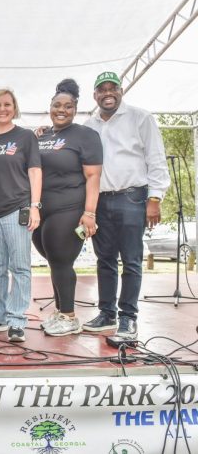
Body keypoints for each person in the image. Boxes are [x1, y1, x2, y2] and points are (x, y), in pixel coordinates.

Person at [82, 71, 170, 338]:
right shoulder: (89, 125)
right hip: (100, 200)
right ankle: (107, 313)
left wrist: (154, 198)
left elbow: (156, 159)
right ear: (95, 95)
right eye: (102, 89)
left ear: (121, 91)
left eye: (113, 88)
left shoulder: (140, 118)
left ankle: (128, 317)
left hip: (132, 197)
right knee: (104, 260)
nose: (108, 93)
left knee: (131, 261)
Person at [32, 79, 103, 336]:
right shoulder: (42, 135)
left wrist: (89, 213)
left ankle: (70, 316)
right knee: (54, 261)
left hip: (69, 208)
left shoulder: (86, 135)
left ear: (75, 109)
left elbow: (93, 177)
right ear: (50, 107)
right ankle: (60, 311)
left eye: (68, 106)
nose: (61, 110)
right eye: (57, 105)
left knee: (61, 260)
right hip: (42, 209)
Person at [0, 89, 42, 342]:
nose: (2, 109)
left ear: (14, 108)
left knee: (20, 268)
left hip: (17, 209)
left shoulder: (25, 137)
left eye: (7, 104)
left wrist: (35, 206)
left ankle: (16, 320)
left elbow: (35, 172)